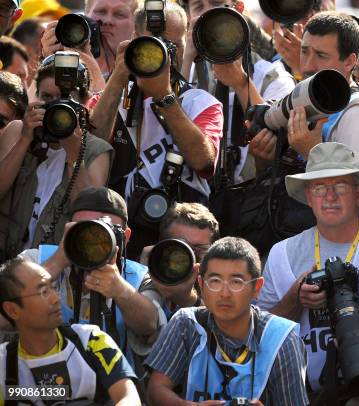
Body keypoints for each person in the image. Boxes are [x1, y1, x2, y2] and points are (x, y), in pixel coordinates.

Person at [257, 142, 359, 404]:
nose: (330, 196)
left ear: (358, 192)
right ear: (308, 195)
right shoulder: (281, 254)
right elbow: (258, 338)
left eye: (340, 186)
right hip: (299, 394)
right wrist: (294, 299)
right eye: (320, 187)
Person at [90, 0, 223, 259]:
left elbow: (204, 163)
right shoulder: (109, 98)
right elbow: (90, 151)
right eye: (155, 45)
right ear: (135, 40)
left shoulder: (201, 103)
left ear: (186, 44)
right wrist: (119, 76)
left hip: (182, 240)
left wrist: (165, 97)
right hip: (115, 234)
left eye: (173, 46)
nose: (166, 56)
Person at [249, 12, 359, 218]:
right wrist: (265, 159)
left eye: (321, 56)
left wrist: (312, 152)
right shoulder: (306, 96)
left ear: (350, 61)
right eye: (304, 52)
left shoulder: (357, 114)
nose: (308, 65)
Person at [146, 236, 308, 405]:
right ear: (201, 285)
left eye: (236, 282)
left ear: (257, 288)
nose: (224, 293)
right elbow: (155, 391)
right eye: (215, 281)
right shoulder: (186, 323)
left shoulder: (282, 339)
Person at [18, 187, 161, 368]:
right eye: (84, 228)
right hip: (38, 387)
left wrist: (120, 289)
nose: (92, 239)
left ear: (125, 236)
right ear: (67, 229)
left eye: (104, 231)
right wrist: (58, 261)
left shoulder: (139, 277)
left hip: (112, 390)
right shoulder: (34, 260)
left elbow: (150, 325)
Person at [0, 53, 112, 257]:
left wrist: (73, 154)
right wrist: (25, 139)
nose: (55, 106)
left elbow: (89, 216)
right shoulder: (18, 131)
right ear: (36, 96)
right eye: (47, 97)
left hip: (54, 270)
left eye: (64, 98)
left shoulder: (96, 150)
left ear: (85, 101)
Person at [181, 0, 296, 184]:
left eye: (217, 3)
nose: (209, 13)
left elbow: (279, 140)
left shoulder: (271, 76)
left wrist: (242, 83)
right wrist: (187, 57)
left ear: (239, 9)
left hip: (249, 201)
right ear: (188, 17)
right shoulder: (188, 74)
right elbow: (167, 129)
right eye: (198, 7)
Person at [0, 258, 141, 405]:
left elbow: (129, 397)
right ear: (12, 310)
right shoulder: (3, 365)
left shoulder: (91, 341)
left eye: (53, 287)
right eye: (43, 291)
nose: (56, 298)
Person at [140, 202, 218, 324]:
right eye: (181, 247)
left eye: (200, 249)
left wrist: (188, 299)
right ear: (162, 245)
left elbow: (224, 328)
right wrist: (143, 275)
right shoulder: (135, 274)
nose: (190, 255)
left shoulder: (219, 283)